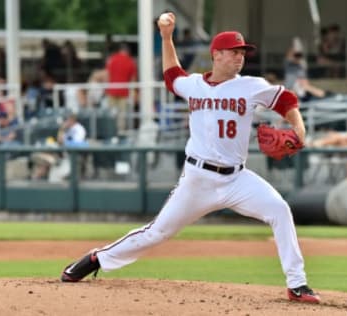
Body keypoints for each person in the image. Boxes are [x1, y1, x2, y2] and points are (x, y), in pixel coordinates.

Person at [60, 12, 321, 304]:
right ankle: (96, 259)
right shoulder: (194, 85)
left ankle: (297, 284)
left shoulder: (251, 86)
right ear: (216, 55)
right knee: (156, 233)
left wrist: (299, 129)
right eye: (234, 52)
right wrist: (167, 37)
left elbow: (287, 101)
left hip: (236, 178)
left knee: (279, 210)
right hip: (197, 179)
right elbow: (172, 75)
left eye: (242, 52)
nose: (240, 57)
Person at [283, 37, 332, 102]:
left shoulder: (302, 64)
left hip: (302, 89)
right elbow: (290, 57)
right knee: (293, 91)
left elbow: (304, 80)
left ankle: (326, 96)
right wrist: (295, 48)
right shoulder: (288, 63)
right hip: (291, 88)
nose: (296, 57)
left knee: (307, 87)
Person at [105, 42, 137, 133]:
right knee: (121, 116)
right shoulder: (131, 61)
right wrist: (134, 93)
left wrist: (106, 89)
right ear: (128, 51)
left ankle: (110, 132)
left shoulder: (111, 59)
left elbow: (108, 75)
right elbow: (133, 79)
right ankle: (120, 133)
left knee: (111, 114)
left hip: (111, 91)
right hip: (124, 92)